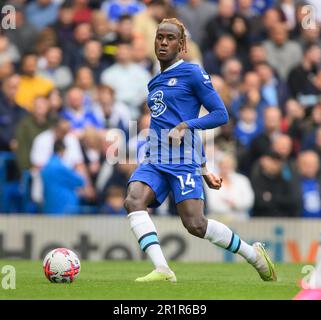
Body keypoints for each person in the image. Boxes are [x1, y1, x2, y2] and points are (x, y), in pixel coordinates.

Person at [124, 18, 277, 282]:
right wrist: (205, 167)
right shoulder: (154, 82)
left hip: (183, 160)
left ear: (181, 44)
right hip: (155, 158)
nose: (163, 42)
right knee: (133, 199)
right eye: (159, 37)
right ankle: (162, 269)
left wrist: (187, 128)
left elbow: (221, 114)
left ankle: (253, 254)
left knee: (195, 224)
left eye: (170, 38)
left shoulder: (193, 73)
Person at [41, 139, 85, 214]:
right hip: (65, 205)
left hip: (49, 204)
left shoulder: (47, 166)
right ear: (62, 151)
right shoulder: (60, 167)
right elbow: (80, 181)